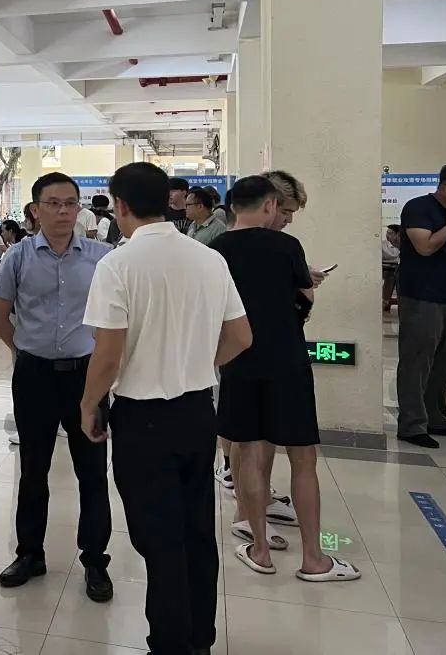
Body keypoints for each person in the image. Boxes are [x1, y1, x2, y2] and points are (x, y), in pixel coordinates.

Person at [80, 163, 252, 655]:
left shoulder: (118, 265)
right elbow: (241, 337)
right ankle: (200, 638)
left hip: (143, 420)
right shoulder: (209, 259)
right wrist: (196, 361)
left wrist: (89, 403)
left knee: (159, 539)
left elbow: (107, 355)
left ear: (120, 206)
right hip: (198, 413)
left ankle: (170, 642)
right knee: (196, 529)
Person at [211, 176, 360, 583]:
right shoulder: (287, 247)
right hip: (288, 361)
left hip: (240, 361)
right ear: (270, 205)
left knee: (250, 453)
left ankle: (259, 549)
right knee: (303, 458)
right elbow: (304, 296)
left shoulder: (216, 250)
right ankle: (314, 558)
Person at [0, 172, 113, 598]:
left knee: (92, 471)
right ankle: (30, 554)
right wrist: (25, 352)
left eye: (70, 203)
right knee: (33, 469)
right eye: (54, 203)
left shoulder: (102, 257)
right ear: (35, 209)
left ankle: (95, 560)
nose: (64, 211)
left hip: (87, 377)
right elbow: (0, 318)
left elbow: (117, 320)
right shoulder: (17, 257)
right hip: (35, 377)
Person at [396, 163, 446, 448]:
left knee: (443, 363)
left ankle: (436, 417)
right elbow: (425, 246)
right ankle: (411, 425)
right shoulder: (419, 207)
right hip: (421, 295)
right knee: (417, 361)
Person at [382, 224, 401, 313]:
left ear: (397, 234)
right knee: (391, 275)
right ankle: (385, 300)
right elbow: (392, 256)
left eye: (390, 233)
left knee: (396, 275)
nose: (388, 235)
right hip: (384, 268)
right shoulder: (382, 244)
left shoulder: (401, 243)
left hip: (395, 268)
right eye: (387, 233)